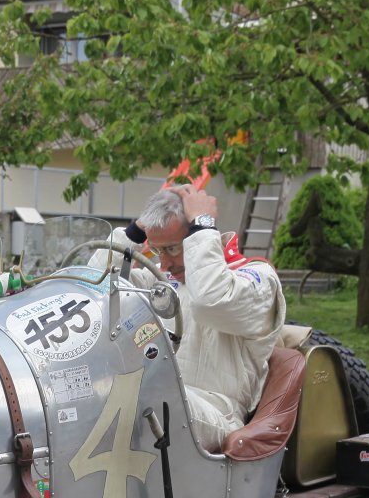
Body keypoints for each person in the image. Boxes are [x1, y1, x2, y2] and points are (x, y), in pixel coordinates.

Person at [94, 185, 287, 452]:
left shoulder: (257, 280)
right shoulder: (162, 279)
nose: (164, 264)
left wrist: (203, 222)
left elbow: (210, 302)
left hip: (219, 414)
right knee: (84, 393)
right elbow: (96, 293)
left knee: (140, 391)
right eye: (158, 251)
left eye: (172, 248)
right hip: (161, 402)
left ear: (200, 235)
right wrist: (133, 233)